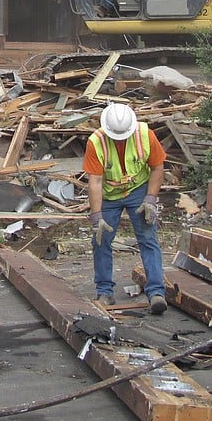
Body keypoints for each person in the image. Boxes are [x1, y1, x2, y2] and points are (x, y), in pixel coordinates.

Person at [83, 102, 167, 314]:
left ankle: (156, 293)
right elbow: (95, 181)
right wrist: (97, 216)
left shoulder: (145, 135)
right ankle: (104, 292)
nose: (120, 140)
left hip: (138, 190)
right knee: (101, 239)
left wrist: (150, 199)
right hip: (109, 195)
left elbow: (157, 168)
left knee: (147, 237)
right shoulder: (96, 142)